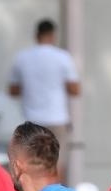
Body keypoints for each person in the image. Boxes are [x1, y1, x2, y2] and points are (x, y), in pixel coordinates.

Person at [7, 18, 80, 181]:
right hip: (57, 118)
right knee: (57, 163)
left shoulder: (22, 58)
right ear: (53, 35)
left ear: (36, 35)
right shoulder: (62, 57)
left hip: (31, 119)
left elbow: (13, 90)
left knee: (30, 162)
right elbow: (75, 90)